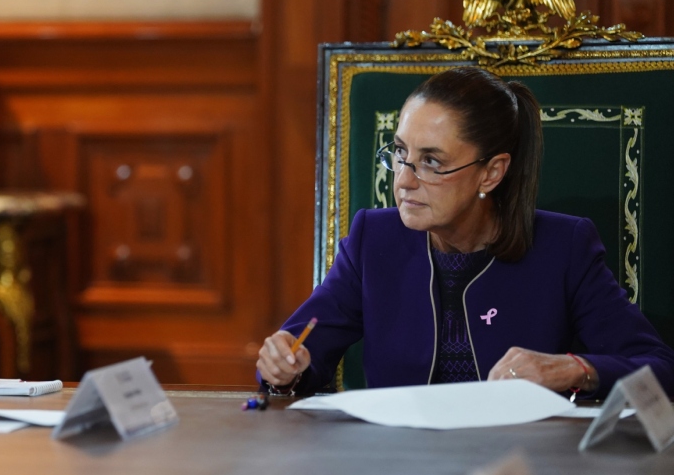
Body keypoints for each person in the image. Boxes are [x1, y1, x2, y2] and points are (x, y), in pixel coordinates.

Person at [258, 67, 674, 397]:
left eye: (432, 162)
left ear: (491, 173)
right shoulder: (373, 239)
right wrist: (284, 366)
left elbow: (659, 367)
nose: (403, 180)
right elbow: (302, 351)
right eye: (401, 153)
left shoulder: (563, 248)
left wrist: (573, 369)